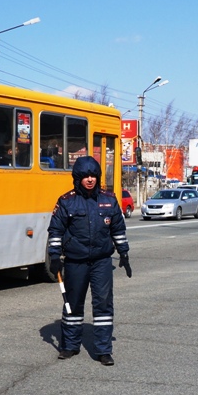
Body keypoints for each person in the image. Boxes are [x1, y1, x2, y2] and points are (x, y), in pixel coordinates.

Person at [47, 156, 130, 365]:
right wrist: (55, 257)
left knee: (103, 304)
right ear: (78, 178)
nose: (90, 180)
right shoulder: (66, 201)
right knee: (72, 305)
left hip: (102, 262)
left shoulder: (109, 200)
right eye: (85, 176)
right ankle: (70, 346)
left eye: (93, 176)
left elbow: (118, 228)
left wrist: (124, 253)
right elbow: (56, 231)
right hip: (75, 262)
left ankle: (103, 350)